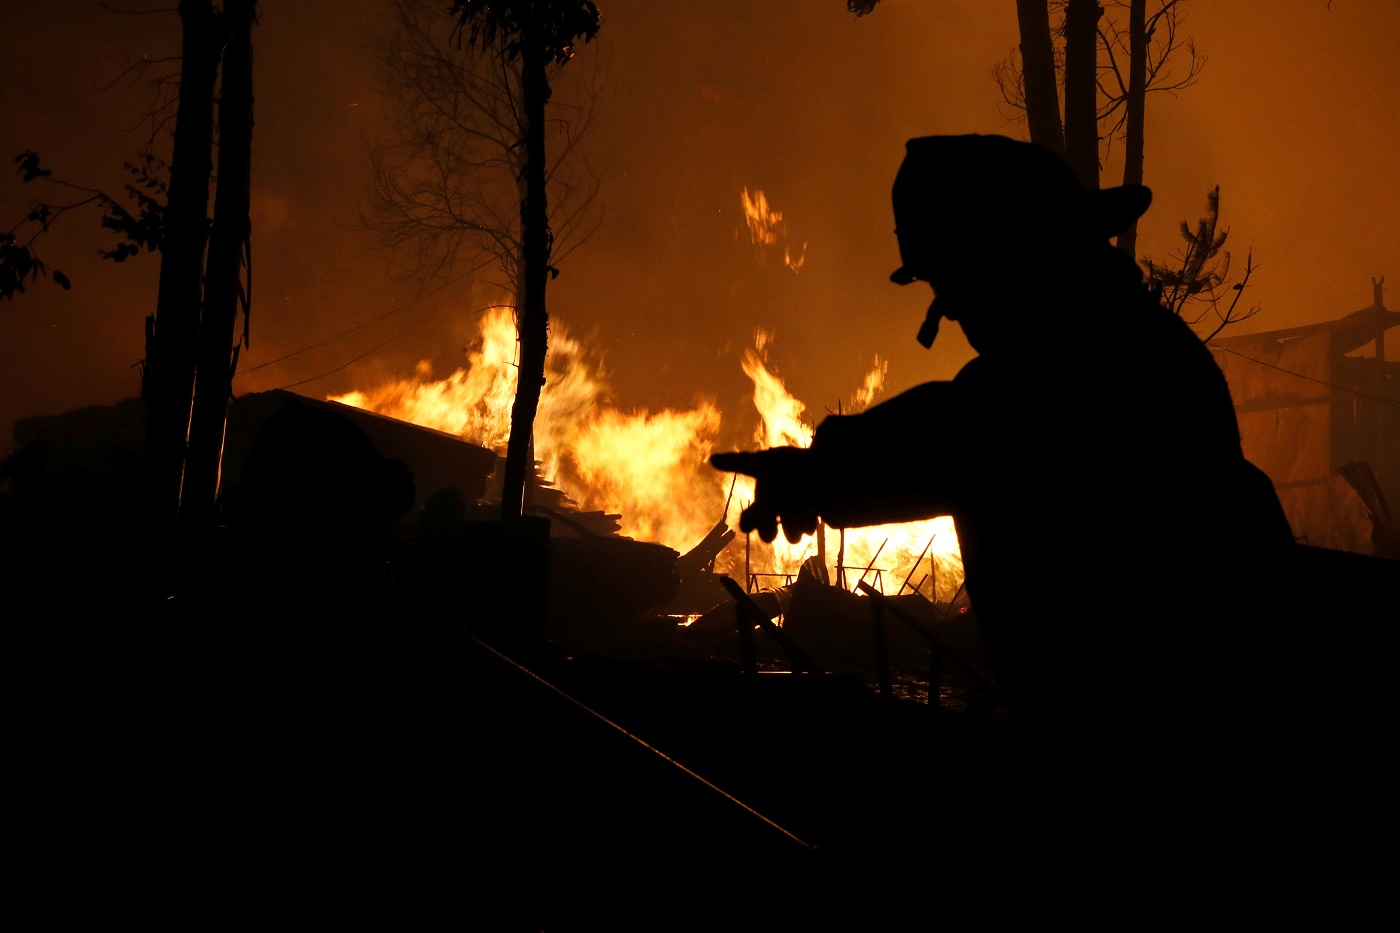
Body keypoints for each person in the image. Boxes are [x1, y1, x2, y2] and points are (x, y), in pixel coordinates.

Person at [712, 135, 1295, 740]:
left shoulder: (1088, 368)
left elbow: (968, 432)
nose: (953, 311)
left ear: (1012, 257)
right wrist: (822, 475)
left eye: (952, 281)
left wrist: (817, 475)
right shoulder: (1146, 344)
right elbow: (968, 427)